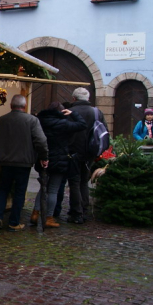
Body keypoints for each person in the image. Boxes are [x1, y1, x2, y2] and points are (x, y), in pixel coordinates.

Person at [0, 94, 48, 232]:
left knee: (3, 189)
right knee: (19, 192)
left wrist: (1, 151)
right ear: (25, 106)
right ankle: (13, 222)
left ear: (11, 105)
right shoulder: (32, 120)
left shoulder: (0, 120)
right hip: (23, 162)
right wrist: (44, 157)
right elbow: (41, 141)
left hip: (4, 162)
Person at [30, 102, 87, 229]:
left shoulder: (40, 121)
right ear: (61, 112)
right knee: (53, 189)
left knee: (43, 187)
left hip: (43, 158)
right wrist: (73, 113)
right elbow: (82, 124)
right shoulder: (63, 123)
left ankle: (35, 213)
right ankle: (48, 217)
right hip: (59, 159)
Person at [67, 87, 106, 224]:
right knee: (84, 182)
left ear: (74, 98)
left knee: (74, 182)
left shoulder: (70, 112)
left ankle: (76, 213)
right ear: (88, 98)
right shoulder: (96, 112)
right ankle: (84, 210)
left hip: (73, 152)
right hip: (90, 153)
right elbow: (104, 132)